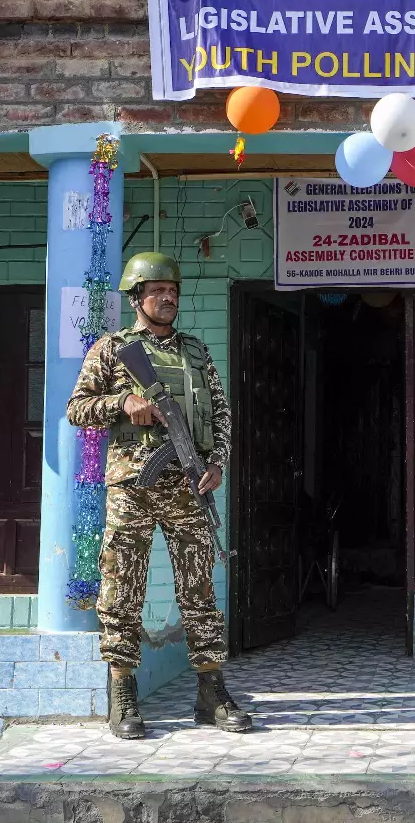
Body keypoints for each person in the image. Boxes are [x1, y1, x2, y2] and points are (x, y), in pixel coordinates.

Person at [66, 252, 252, 738]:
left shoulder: (195, 351)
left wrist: (217, 463)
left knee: (199, 589)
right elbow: (77, 408)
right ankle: (122, 690)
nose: (168, 297)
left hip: (189, 487)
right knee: (122, 587)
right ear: (136, 298)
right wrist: (122, 402)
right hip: (133, 487)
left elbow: (221, 414)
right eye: (157, 291)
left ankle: (211, 689)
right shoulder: (112, 349)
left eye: (173, 290)